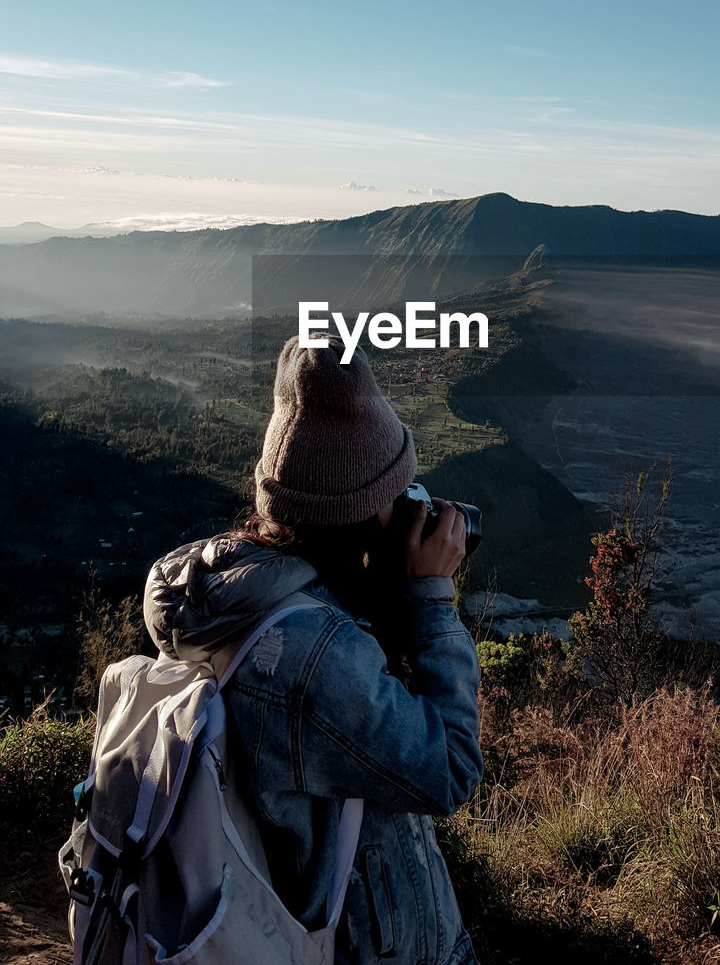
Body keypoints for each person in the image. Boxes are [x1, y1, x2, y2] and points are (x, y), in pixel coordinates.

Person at [143, 333, 484, 965]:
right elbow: (452, 768)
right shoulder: (314, 658)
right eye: (398, 492)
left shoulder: (231, 598)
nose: (412, 508)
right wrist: (433, 600)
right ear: (361, 512)